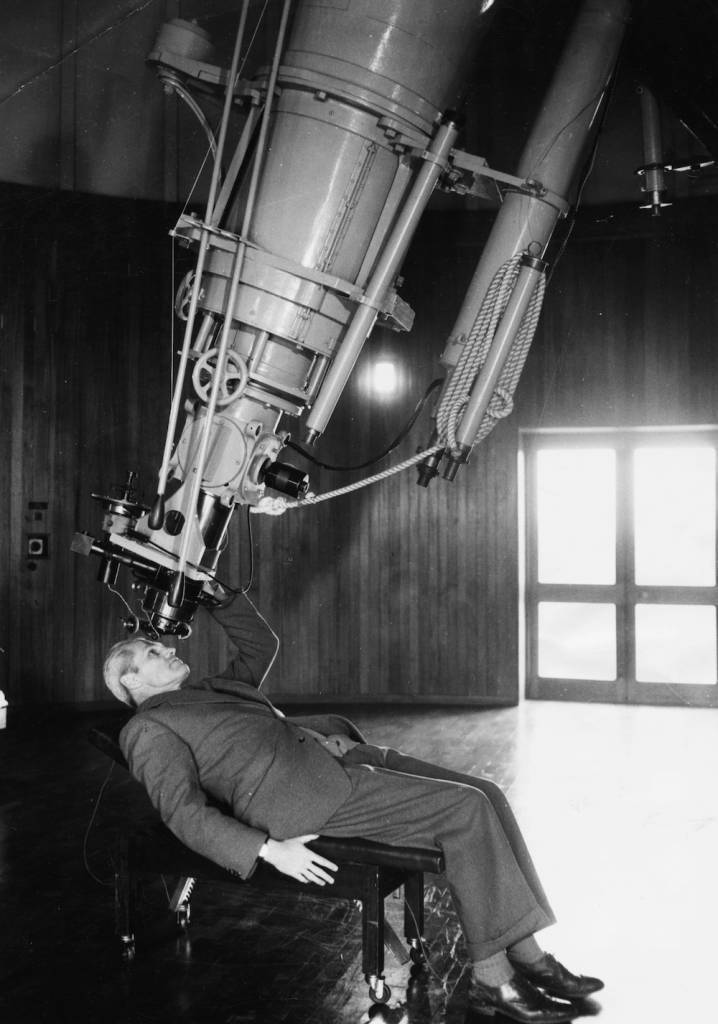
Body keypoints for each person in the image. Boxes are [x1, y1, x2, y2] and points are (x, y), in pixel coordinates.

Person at [103, 591, 603, 1023]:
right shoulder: (148, 730)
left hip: (333, 757)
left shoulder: (208, 689)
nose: (167, 647)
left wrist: (219, 596)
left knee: (488, 793)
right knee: (466, 810)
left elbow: (261, 644)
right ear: (132, 683)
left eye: (161, 643)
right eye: (151, 651)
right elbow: (182, 813)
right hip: (303, 800)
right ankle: (496, 977)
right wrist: (269, 851)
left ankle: (527, 951)